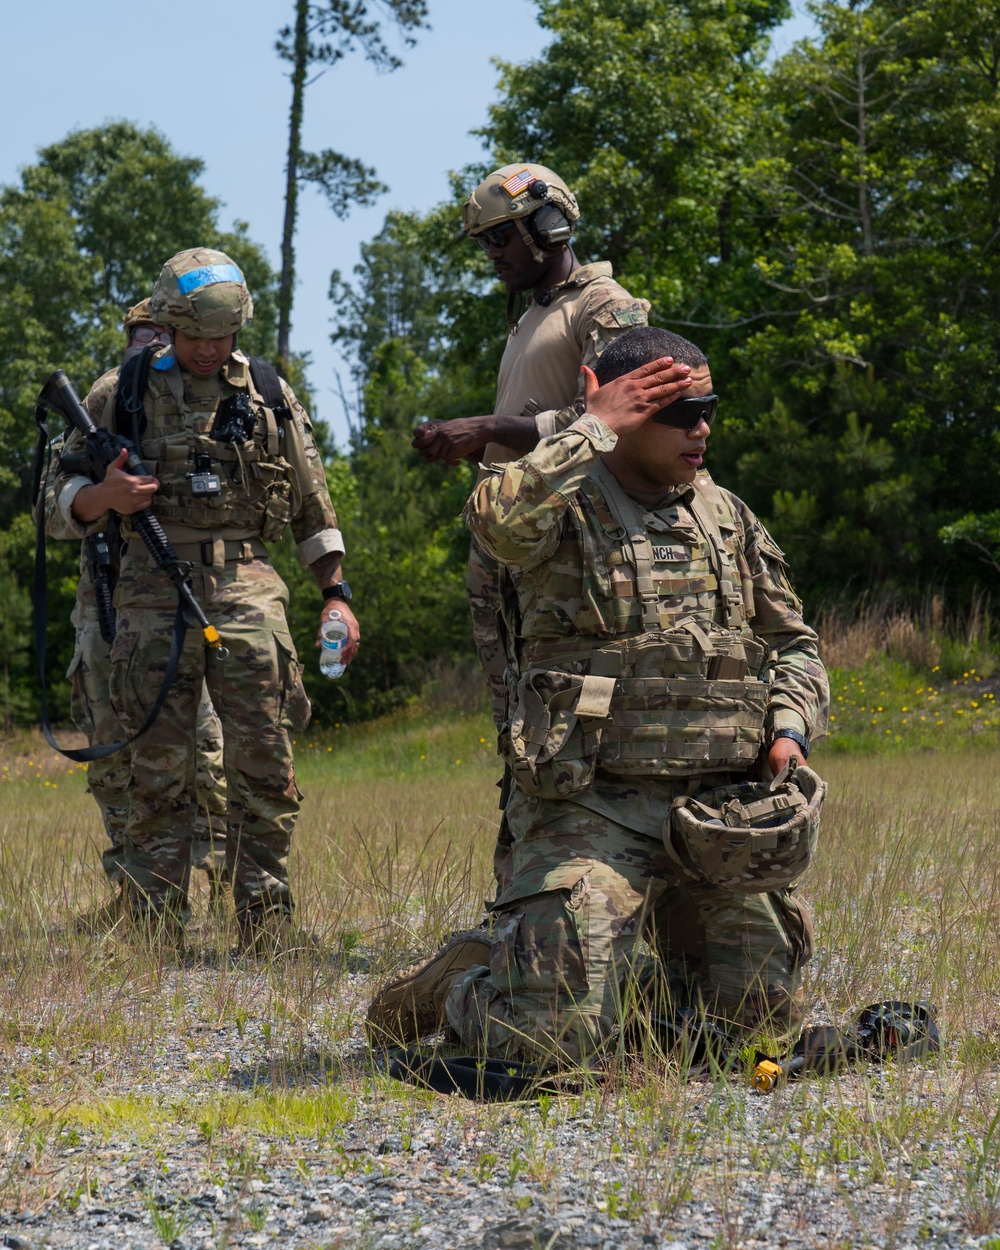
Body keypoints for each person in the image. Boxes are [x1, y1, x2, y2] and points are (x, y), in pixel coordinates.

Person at [367, 326, 829, 1068]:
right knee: (552, 1044)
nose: (701, 427)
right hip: (588, 807)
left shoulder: (727, 517)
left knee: (755, 1031)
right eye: (678, 411)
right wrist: (591, 426)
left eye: (708, 408)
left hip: (714, 817)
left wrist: (788, 726)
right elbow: (497, 524)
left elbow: (793, 643)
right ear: (621, 409)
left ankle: (632, 981)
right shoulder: (562, 502)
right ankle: (466, 985)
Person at [51, 248, 359, 951]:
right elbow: (53, 503)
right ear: (167, 324)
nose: (207, 349)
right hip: (149, 600)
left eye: (221, 337)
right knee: (157, 776)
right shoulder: (118, 393)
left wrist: (336, 597)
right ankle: (157, 929)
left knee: (266, 767)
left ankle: (265, 925)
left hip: (250, 593)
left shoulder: (271, 392)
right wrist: (103, 496)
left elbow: (314, 508)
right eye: (194, 337)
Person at [412, 162, 650, 730]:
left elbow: (612, 413)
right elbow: (542, 420)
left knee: (557, 696)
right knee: (510, 703)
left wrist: (489, 429)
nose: (492, 254)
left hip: (567, 534)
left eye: (499, 238)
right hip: (513, 524)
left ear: (548, 228)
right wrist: (472, 445)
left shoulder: (604, 305)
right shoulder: (534, 314)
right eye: (484, 242)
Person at [43, 301, 230, 930]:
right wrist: (101, 497)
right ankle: (138, 896)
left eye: (163, 337)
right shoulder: (106, 398)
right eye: (141, 337)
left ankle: (224, 888)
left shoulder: (212, 393)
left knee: (202, 753)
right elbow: (53, 506)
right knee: (112, 758)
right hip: (105, 606)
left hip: (182, 604)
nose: (151, 348)